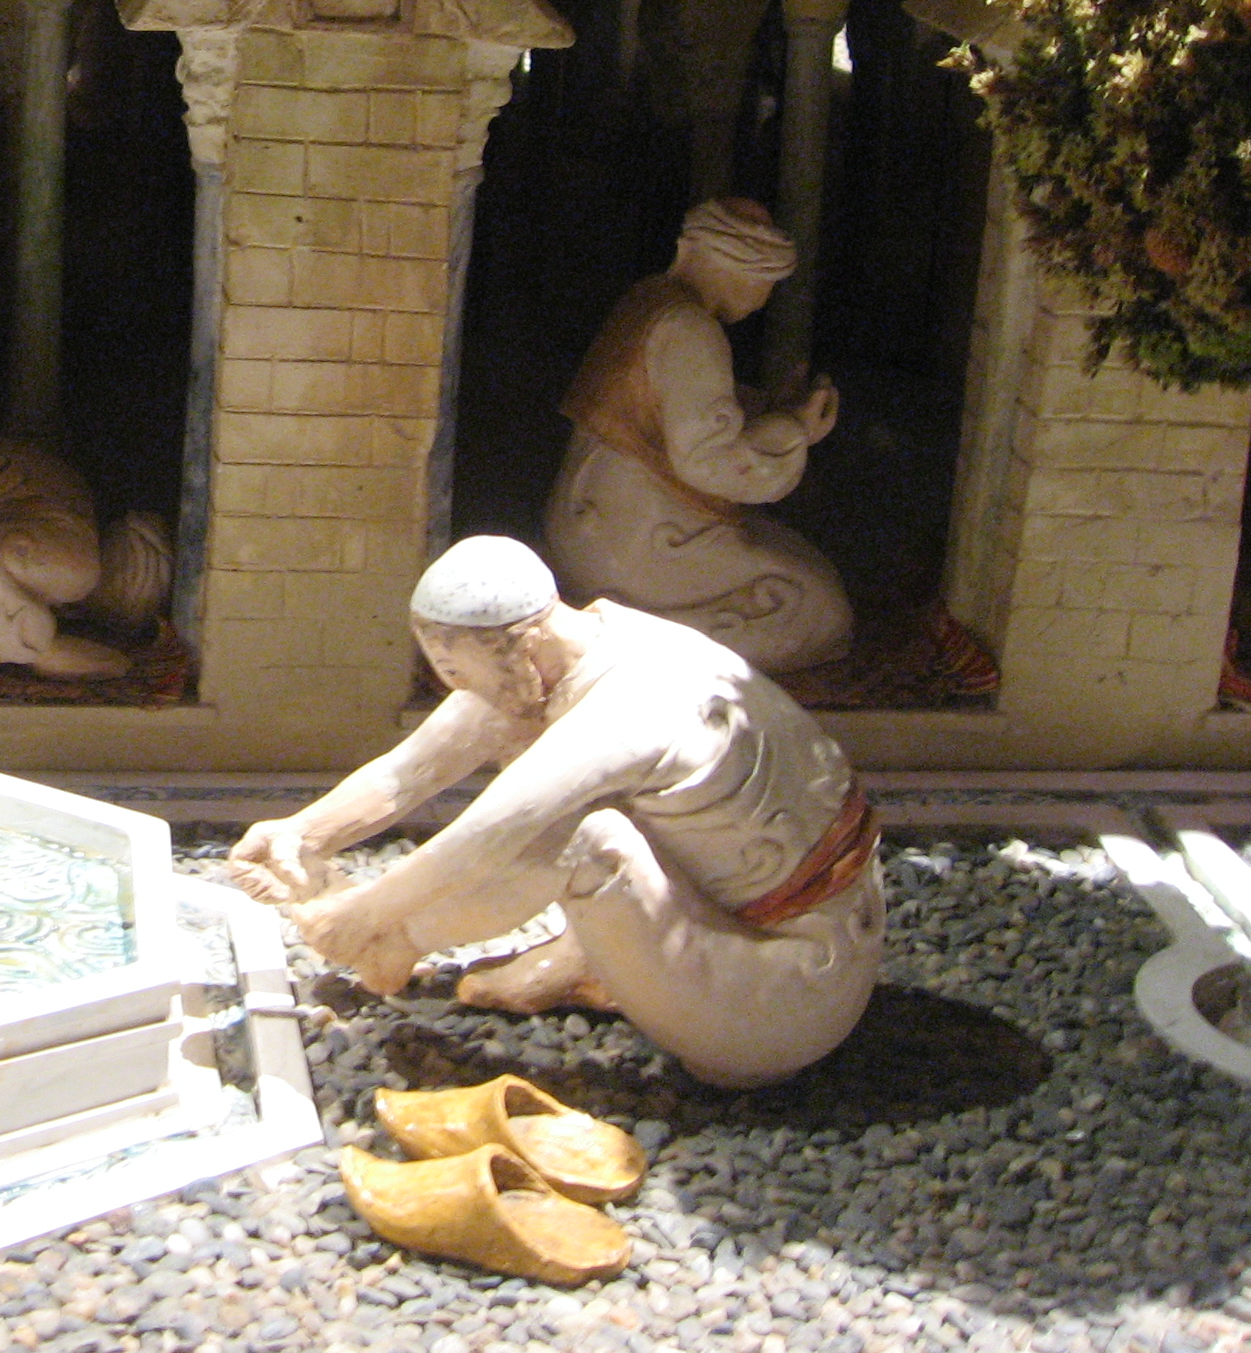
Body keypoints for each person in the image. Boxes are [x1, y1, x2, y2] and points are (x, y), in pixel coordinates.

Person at [226, 537, 882, 1089]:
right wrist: (302, 833)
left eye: (458, 672)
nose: (457, 691)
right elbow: (412, 771)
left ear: (525, 643)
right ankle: (593, 960)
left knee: (583, 836)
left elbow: (488, 833)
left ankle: (408, 950)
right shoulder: (570, 650)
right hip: (736, 917)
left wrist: (370, 922)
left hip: (787, 997)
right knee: (543, 760)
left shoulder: (633, 703)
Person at [543, 197, 851, 674]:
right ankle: (633, 642)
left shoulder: (649, 300)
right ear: (745, 272)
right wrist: (795, 430)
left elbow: (674, 412)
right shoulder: (689, 329)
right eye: (768, 284)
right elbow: (708, 462)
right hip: (635, 547)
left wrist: (769, 408)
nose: (764, 299)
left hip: (594, 526)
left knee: (795, 558)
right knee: (819, 609)